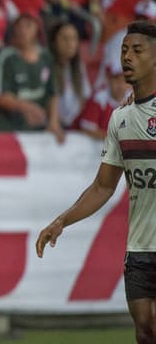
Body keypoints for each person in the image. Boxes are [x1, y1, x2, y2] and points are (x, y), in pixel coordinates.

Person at [36, 21, 156, 344]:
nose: (127, 56)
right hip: (140, 247)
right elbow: (103, 187)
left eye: (137, 50)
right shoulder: (120, 119)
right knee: (144, 330)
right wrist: (62, 219)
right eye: (124, 50)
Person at [0, 13, 64, 143]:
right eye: (19, 26)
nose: (22, 31)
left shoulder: (46, 57)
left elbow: (53, 92)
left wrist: (53, 121)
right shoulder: (5, 56)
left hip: (38, 121)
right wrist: (28, 108)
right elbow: (0, 97)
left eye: (28, 26)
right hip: (10, 122)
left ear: (37, 30)